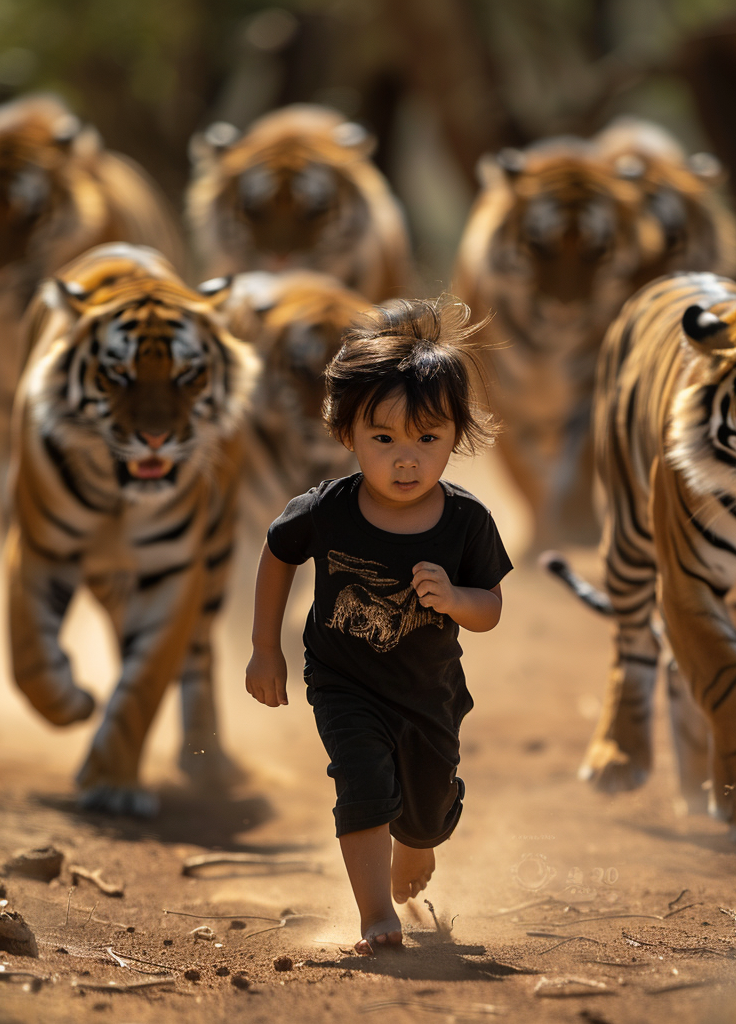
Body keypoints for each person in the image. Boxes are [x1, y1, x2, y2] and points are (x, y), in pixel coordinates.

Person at [245, 296, 512, 955]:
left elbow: (491, 610)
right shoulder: (326, 510)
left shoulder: (467, 522)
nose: (405, 459)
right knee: (363, 781)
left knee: (424, 814)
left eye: (428, 440)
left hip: (429, 692)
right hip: (343, 680)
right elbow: (278, 554)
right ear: (347, 434)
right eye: (383, 439)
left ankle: (416, 841)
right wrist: (264, 649)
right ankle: (375, 919)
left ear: (456, 437)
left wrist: (453, 598)